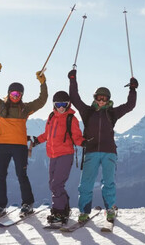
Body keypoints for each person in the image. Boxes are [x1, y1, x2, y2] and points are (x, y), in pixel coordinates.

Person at [67, 69, 137, 223]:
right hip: (91, 152)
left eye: (104, 98)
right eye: (99, 98)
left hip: (109, 152)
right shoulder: (87, 111)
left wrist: (132, 89)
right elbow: (74, 97)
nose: (101, 101)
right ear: (95, 98)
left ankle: (110, 209)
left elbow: (130, 105)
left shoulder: (112, 113)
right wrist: (72, 79)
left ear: (108, 99)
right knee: (86, 184)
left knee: (108, 182)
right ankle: (84, 212)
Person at [0, 62, 48, 218]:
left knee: (21, 175)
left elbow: (42, 100)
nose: (15, 97)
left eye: (18, 95)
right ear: (9, 94)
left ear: (21, 96)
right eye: (13, 94)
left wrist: (43, 83)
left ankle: (27, 204)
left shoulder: (25, 109)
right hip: (3, 146)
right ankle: (0, 206)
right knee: (1, 176)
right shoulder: (0, 106)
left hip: (19, 146)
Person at [32, 91, 86, 225]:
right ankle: (64, 208)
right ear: (54, 105)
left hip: (65, 154)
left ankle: (59, 211)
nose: (61, 107)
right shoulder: (51, 116)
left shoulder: (71, 119)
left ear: (68, 104)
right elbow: (48, 134)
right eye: (58, 104)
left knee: (57, 184)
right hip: (52, 155)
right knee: (53, 184)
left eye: (64, 104)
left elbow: (76, 136)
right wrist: (37, 140)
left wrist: (84, 143)